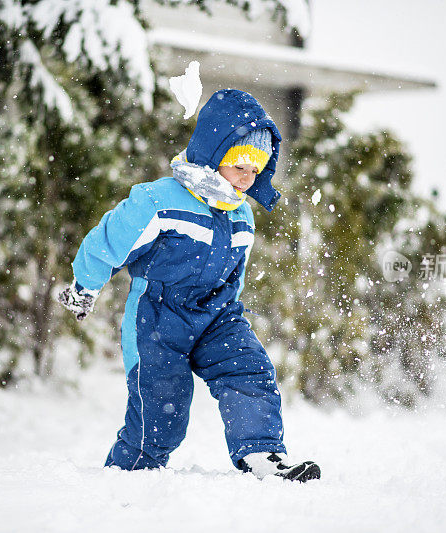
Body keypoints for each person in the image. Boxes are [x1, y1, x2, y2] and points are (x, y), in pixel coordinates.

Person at [58, 89, 320, 482]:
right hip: (158, 317)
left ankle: (263, 454)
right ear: (214, 155)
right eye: (239, 167)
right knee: (164, 407)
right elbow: (110, 240)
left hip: (218, 317)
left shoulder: (242, 216)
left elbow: (237, 276)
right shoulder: (160, 202)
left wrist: (229, 310)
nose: (247, 180)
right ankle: (128, 473)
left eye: (256, 171)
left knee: (249, 371)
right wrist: (85, 285)